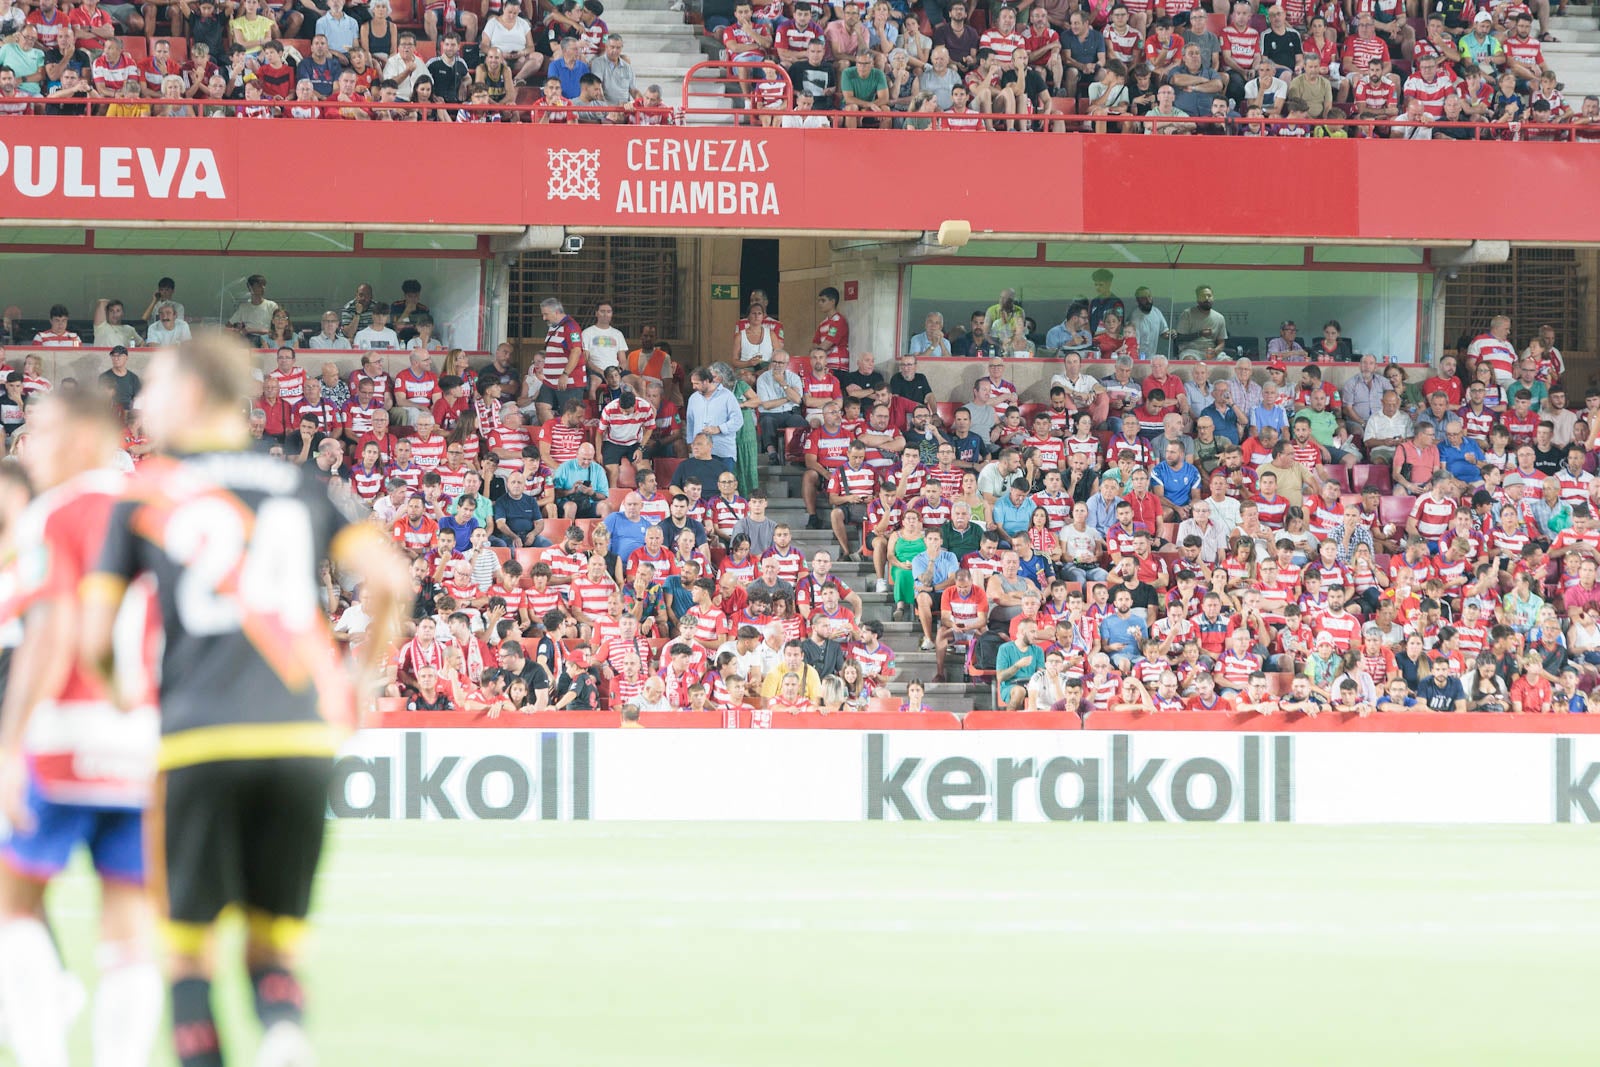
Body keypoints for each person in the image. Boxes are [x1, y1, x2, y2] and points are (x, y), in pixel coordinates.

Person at [80, 333, 411, 1067]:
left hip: (198, 737)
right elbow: (390, 581)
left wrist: (125, 697)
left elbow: (95, 632)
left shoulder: (147, 489)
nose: (144, 402)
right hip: (300, 743)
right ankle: (285, 1037)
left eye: (157, 386)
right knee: (273, 944)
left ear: (194, 394)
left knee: (188, 952)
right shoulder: (297, 484)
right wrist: (357, 684)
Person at [0, 395, 162, 1067]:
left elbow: (53, 629)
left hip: (67, 730)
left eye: (41, 429)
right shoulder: (158, 510)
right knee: (129, 924)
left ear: (87, 434)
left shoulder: (56, 512)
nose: (27, 441)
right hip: (144, 739)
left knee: (12, 905)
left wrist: (9, 745)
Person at [685, 366, 742, 474]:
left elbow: (738, 420)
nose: (693, 387)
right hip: (700, 453)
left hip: (723, 452)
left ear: (706, 381)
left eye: (696, 383)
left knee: (723, 486)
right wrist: (690, 444)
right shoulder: (693, 398)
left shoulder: (727, 396)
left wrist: (719, 428)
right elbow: (690, 423)